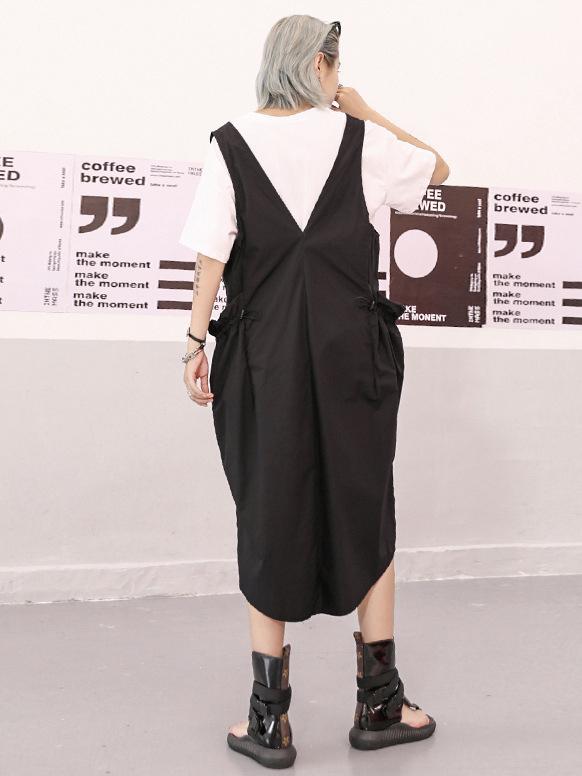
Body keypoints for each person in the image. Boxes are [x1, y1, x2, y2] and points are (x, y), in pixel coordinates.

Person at [179, 15, 449, 769]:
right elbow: (437, 169)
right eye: (337, 65)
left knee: (266, 508)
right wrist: (366, 111)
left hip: (261, 357)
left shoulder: (230, 142)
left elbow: (211, 256)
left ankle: (269, 721)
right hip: (351, 353)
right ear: (322, 65)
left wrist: (195, 343)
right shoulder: (359, 140)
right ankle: (379, 702)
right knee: (367, 504)